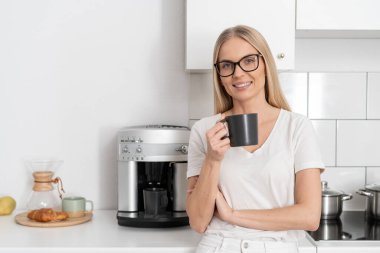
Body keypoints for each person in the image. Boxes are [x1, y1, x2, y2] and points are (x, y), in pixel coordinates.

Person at [186, 25, 325, 253]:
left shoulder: (296, 127)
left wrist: (232, 215)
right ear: (219, 75)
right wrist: (212, 159)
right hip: (219, 246)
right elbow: (199, 222)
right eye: (227, 65)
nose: (238, 73)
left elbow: (309, 217)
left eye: (249, 61)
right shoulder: (204, 130)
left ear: (265, 64)